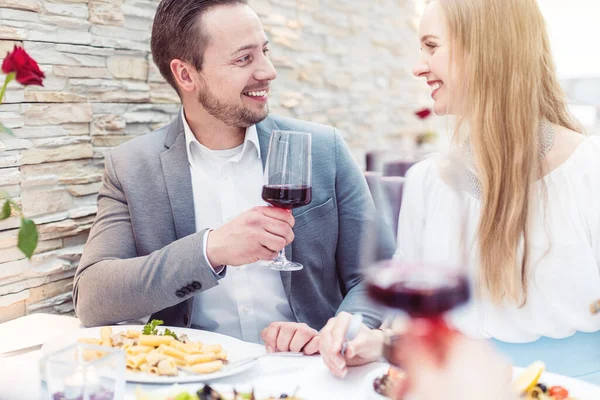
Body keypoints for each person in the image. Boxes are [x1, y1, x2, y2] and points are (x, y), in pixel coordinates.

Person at [73, 0, 395, 353]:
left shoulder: (324, 149)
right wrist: (211, 249)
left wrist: (339, 333)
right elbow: (92, 297)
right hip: (195, 375)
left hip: (310, 370)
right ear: (185, 74)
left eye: (264, 51)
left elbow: (378, 277)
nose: (268, 71)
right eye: (244, 59)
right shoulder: (131, 167)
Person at [320, 0, 600, 385]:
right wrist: (375, 339)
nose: (418, 66)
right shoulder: (426, 181)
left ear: (487, 48)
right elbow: (413, 312)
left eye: (432, 46)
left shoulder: (590, 169)